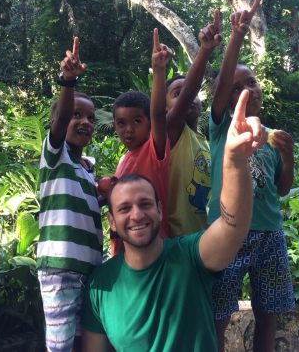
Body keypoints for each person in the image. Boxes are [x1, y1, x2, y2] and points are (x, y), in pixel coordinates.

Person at [81, 89, 266, 352]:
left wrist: (235, 161)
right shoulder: (100, 285)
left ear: (159, 210)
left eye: (145, 204)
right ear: (111, 221)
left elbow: (232, 227)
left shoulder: (190, 256)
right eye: (124, 208)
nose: (136, 214)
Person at [207, 0, 295, 352]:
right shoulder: (220, 128)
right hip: (227, 233)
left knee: (268, 311)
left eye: (253, 82)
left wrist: (288, 158)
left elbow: (282, 190)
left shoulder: (275, 137)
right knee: (219, 312)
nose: (249, 90)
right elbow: (220, 84)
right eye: (238, 86)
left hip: (269, 234)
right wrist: (237, 36)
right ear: (227, 97)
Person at [37, 37, 102, 352]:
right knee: (60, 343)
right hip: (61, 266)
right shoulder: (54, 157)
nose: (85, 122)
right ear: (58, 121)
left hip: (89, 267)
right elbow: (62, 117)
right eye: (77, 115)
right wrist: (68, 81)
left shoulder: (87, 171)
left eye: (90, 118)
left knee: (81, 340)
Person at [110, 29, 172, 255]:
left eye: (137, 121)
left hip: (153, 249)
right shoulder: (124, 160)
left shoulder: (154, 150)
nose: (128, 129)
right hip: (124, 252)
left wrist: (158, 69)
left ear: (148, 123)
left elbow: (157, 114)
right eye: (121, 123)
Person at [166, 10, 222, 236]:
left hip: (202, 240)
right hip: (176, 242)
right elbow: (190, 91)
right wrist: (205, 50)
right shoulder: (171, 134)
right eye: (176, 93)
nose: (187, 97)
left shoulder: (203, 141)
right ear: (164, 108)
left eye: (189, 93)